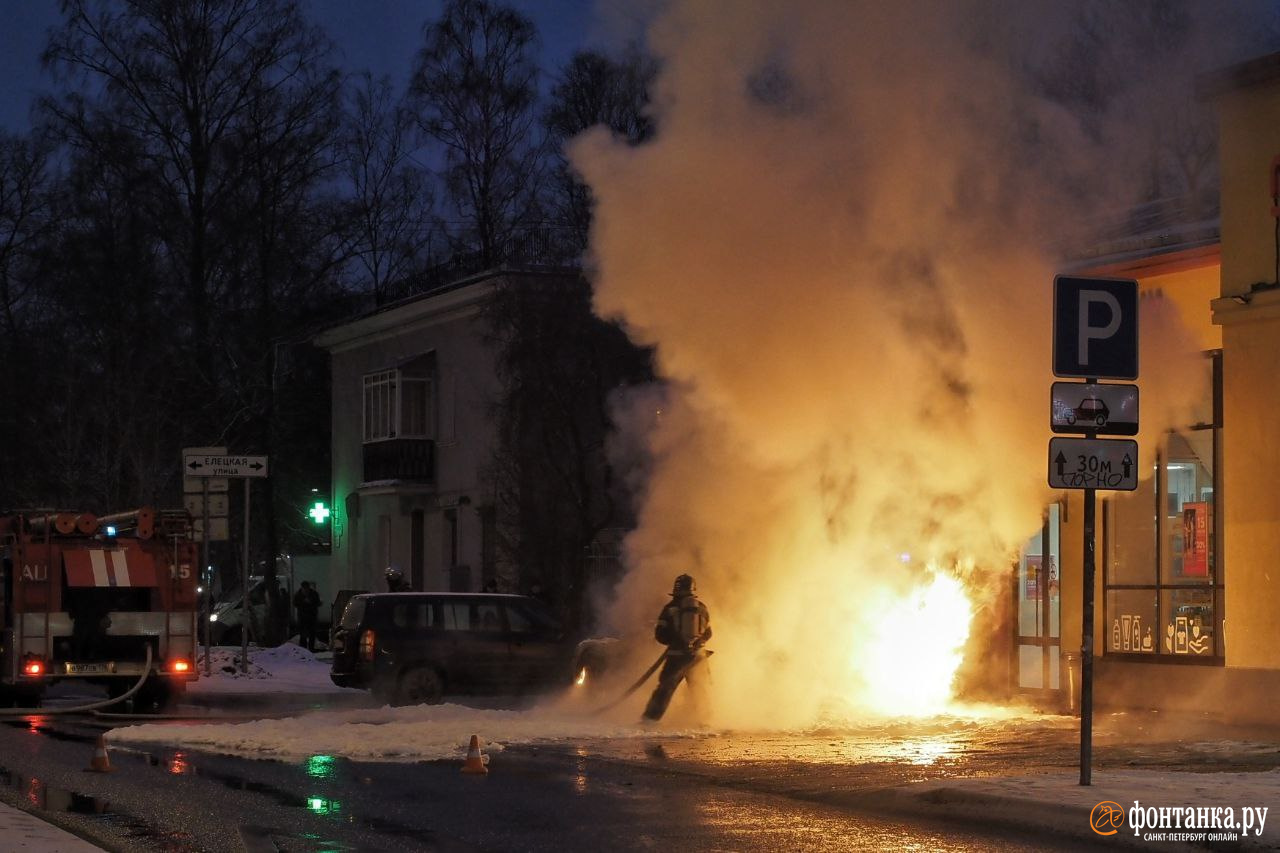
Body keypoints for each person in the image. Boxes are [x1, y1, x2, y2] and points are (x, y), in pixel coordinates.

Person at [642, 573, 712, 722]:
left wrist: (676, 641)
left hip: (676, 657)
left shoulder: (670, 608)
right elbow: (709, 634)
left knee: (664, 690)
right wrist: (696, 643)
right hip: (699, 657)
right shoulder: (702, 607)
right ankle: (705, 723)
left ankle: (649, 721)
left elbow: (661, 636)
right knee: (699, 691)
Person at [293, 581, 322, 652]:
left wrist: (311, 602)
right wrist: (303, 602)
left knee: (312, 634)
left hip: (312, 617)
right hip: (302, 617)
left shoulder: (314, 594)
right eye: (304, 588)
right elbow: (295, 603)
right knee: (303, 634)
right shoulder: (298, 594)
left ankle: (311, 648)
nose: (305, 590)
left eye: (306, 588)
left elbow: (318, 603)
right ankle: (303, 649)